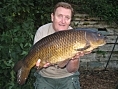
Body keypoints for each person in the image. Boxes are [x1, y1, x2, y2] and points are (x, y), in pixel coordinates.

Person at [33, 2, 84, 89]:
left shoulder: (76, 36)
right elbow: (35, 61)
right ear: (52, 17)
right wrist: (38, 65)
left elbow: (72, 70)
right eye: (60, 16)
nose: (63, 21)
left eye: (67, 17)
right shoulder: (42, 31)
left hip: (67, 78)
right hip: (45, 78)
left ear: (70, 20)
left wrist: (74, 58)